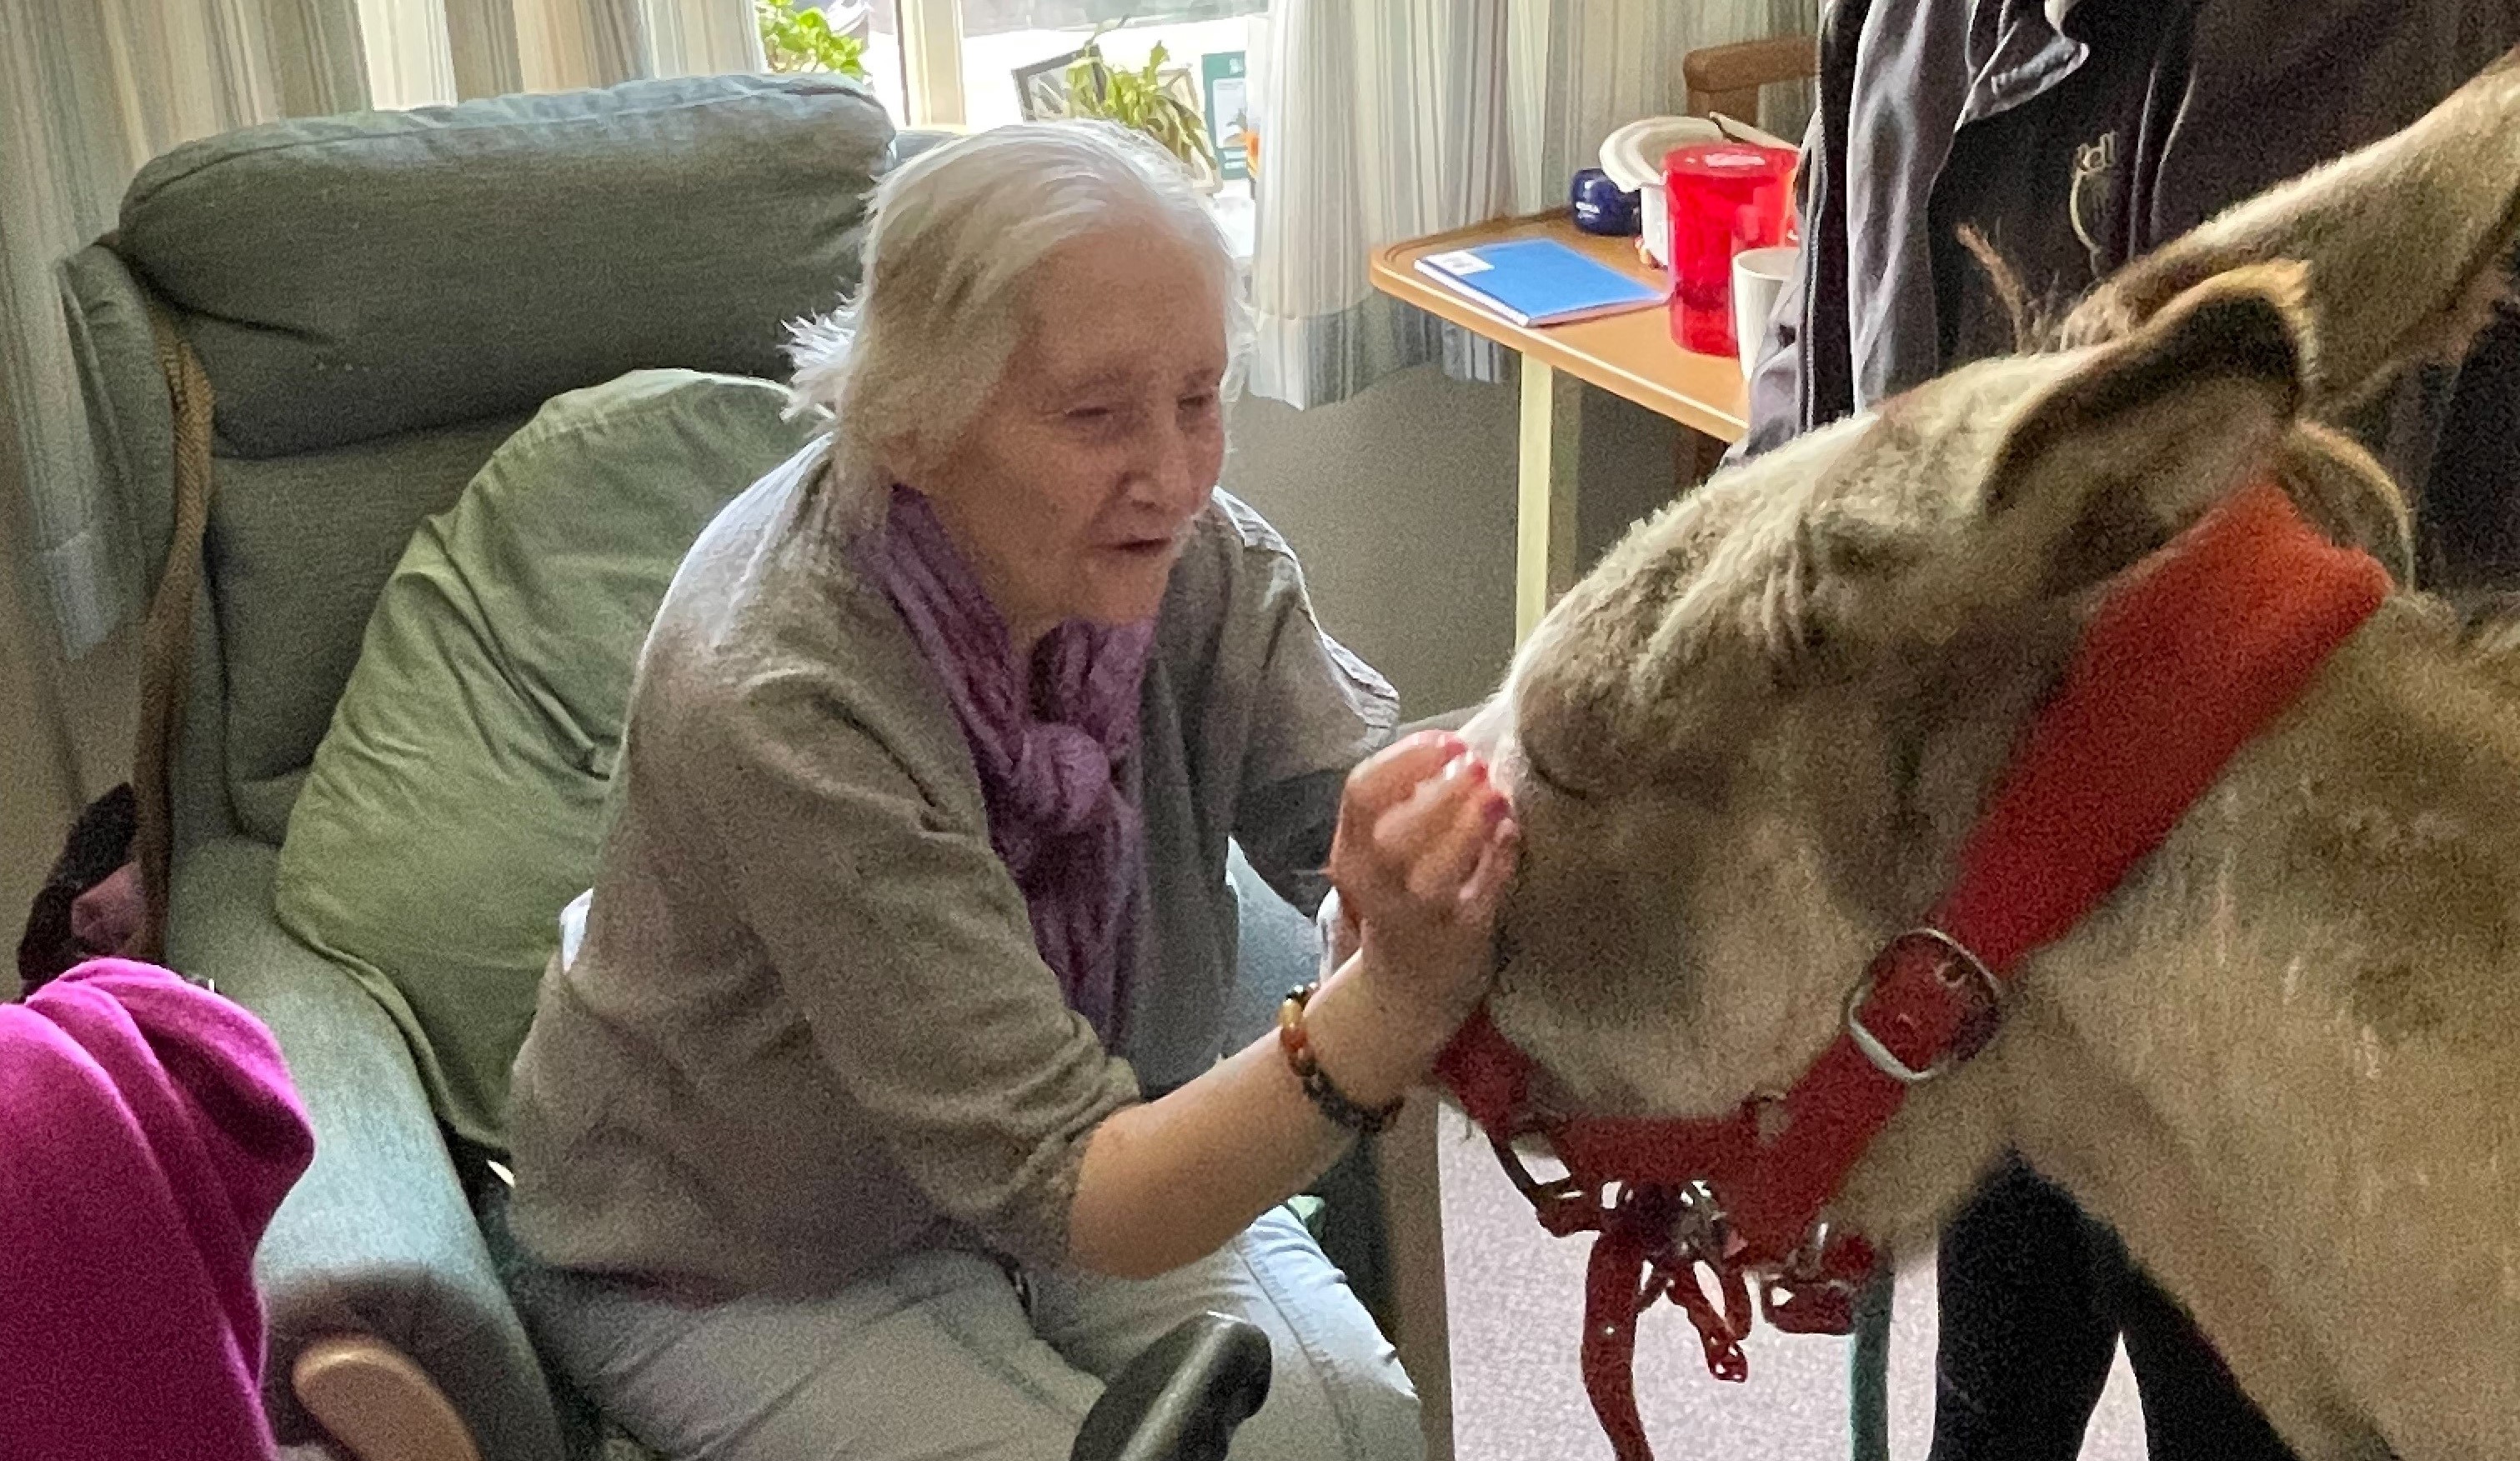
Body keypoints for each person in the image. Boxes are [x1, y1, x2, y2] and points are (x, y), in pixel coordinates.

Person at [499, 120, 1518, 1461]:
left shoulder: (1184, 557)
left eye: (1199, 397)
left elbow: (1351, 816)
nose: (1173, 473)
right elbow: (1075, 1181)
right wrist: (1381, 1013)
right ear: (909, 420)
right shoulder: (786, 694)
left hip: (1080, 1126)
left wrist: (1453, 844)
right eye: (1096, 415)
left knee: (1361, 1435)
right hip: (738, 1243)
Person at [1740, 5, 2520, 1458]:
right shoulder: (1903, 27)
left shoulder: (2426, 47)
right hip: (1984, 948)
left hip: (2272, 979)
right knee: (1989, 1398)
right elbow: (1811, 413)